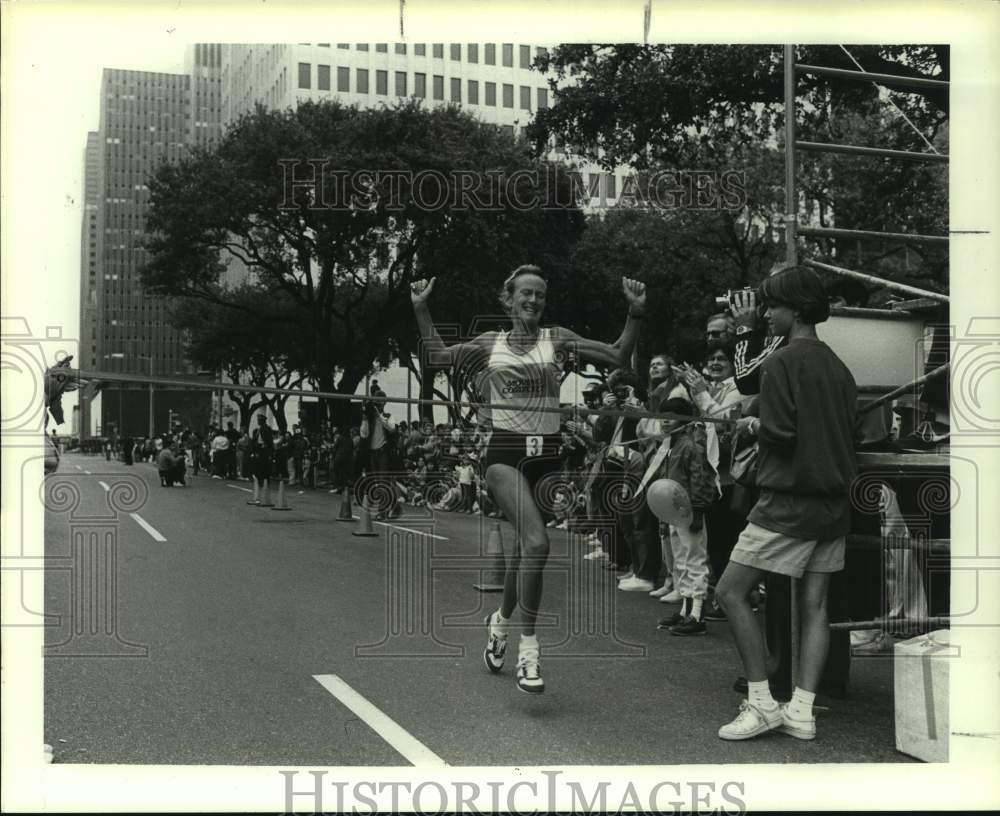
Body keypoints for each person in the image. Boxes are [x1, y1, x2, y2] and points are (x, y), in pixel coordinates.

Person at [411, 265, 645, 694]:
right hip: (505, 454)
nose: (533, 300)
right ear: (508, 299)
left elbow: (616, 356)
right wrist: (421, 310)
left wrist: (634, 314)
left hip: (547, 456)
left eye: (539, 294)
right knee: (537, 543)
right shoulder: (489, 343)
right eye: (525, 293)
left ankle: (500, 623)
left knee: (523, 551)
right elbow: (440, 356)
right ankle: (529, 649)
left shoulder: (556, 338)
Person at [715, 265, 859, 741]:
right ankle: (801, 710)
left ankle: (761, 703)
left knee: (729, 592)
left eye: (772, 305)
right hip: (835, 505)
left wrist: (752, 426)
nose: (766, 314)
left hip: (788, 502)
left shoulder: (780, 363)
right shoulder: (839, 367)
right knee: (815, 606)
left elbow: (782, 434)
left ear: (795, 309)